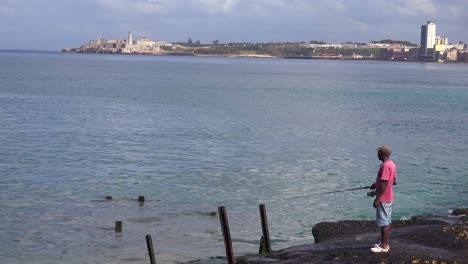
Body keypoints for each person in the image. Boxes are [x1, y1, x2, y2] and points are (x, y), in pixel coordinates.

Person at [369, 145, 397, 253]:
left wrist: (377, 198)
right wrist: (375, 184)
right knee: (387, 221)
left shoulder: (385, 166)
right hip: (389, 196)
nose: (377, 154)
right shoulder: (392, 164)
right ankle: (384, 243)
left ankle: (384, 246)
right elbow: (393, 181)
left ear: (383, 154)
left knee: (383, 222)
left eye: (379, 153)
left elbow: (385, 182)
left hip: (383, 198)